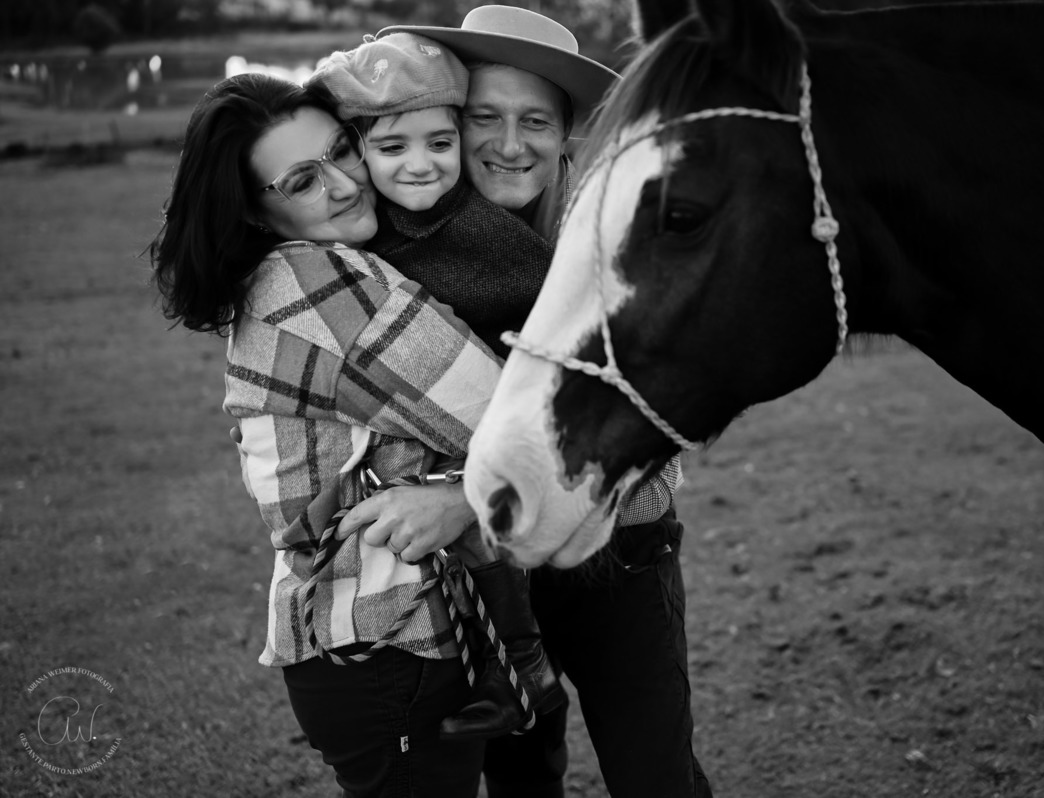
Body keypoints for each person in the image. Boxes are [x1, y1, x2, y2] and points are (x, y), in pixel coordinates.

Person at [343, 7, 712, 798]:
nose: (510, 144)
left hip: (616, 553)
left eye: (535, 121)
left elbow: (652, 450)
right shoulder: (393, 246)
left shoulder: (614, 238)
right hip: (482, 582)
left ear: (566, 133)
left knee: (657, 778)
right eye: (486, 117)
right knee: (521, 780)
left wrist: (463, 501)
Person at [149, 73, 505, 797]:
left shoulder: (283, 277)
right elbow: (511, 420)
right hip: (386, 647)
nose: (345, 184)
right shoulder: (315, 283)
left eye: (343, 150)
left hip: (361, 646)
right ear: (253, 211)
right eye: (303, 180)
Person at [303, 30, 567, 738]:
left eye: (439, 144)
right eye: (392, 147)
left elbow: (558, 328)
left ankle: (523, 667)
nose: (420, 165)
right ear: (357, 151)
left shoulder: (490, 237)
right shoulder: (365, 224)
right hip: (418, 435)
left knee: (480, 546)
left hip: (502, 427)